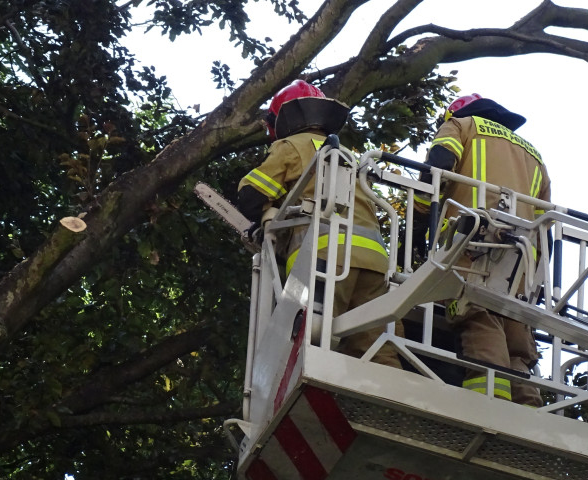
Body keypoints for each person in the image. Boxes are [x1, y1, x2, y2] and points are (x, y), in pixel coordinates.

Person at [236, 80, 402, 368]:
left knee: (307, 343)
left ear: (282, 120)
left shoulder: (291, 146)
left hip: (325, 258)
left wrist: (265, 214)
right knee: (377, 353)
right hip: (376, 264)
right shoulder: (348, 156)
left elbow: (251, 193)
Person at [415, 93, 551, 406]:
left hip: (473, 243)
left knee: (479, 318)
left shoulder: (460, 126)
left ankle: (490, 406)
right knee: (517, 340)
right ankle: (527, 411)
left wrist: (419, 223)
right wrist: (536, 281)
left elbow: (438, 167)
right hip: (523, 262)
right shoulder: (534, 155)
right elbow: (545, 226)